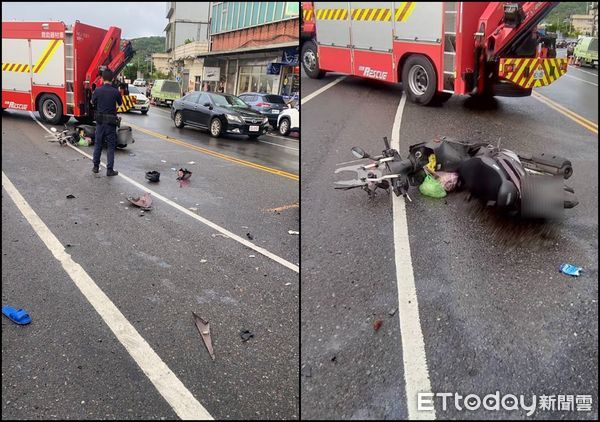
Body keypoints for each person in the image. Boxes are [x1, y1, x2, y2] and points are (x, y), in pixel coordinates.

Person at [91, 69, 122, 176]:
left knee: (98, 144)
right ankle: (109, 170)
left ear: (102, 78)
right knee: (110, 146)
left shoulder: (98, 91)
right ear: (112, 79)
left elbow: (92, 102)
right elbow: (120, 103)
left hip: (100, 123)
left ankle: (95, 167)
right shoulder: (115, 91)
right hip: (111, 123)